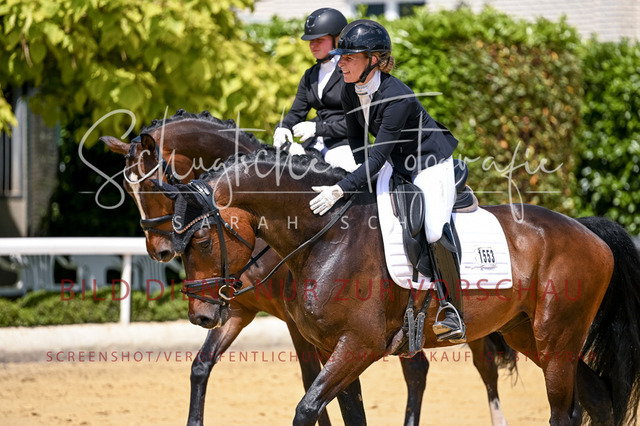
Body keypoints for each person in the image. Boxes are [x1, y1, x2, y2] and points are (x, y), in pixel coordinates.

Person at [308, 19, 466, 343]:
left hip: (429, 163)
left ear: (374, 60)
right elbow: (358, 144)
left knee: (433, 229)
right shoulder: (349, 89)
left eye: (349, 58)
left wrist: (339, 189)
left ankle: (452, 309)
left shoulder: (398, 98)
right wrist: (354, 178)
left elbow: (377, 158)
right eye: (341, 57)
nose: (341, 64)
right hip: (396, 163)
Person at [273, 8, 358, 172]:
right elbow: (297, 112)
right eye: (311, 41)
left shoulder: (351, 72)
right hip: (314, 145)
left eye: (319, 40)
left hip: (345, 144)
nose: (313, 45)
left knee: (349, 171)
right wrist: (282, 127)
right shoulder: (310, 75)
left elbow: (357, 122)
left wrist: (317, 128)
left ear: (338, 39)